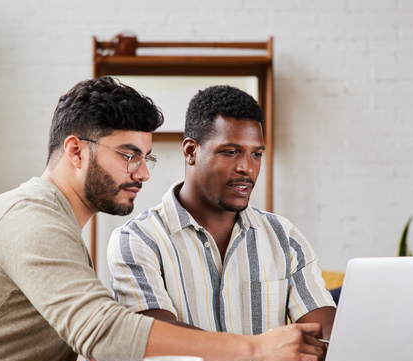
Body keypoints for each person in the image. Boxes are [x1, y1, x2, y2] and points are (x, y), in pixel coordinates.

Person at [0, 77, 327, 361]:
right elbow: (100, 328)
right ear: (76, 151)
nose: (143, 173)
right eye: (128, 155)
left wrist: (105, 353)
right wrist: (259, 348)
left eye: (146, 156)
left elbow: (86, 330)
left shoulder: (55, 223)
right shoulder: (28, 218)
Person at [108, 85, 336, 340]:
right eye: (231, 152)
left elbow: (324, 326)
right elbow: (156, 337)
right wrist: (263, 350)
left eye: (256, 154)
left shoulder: (285, 238)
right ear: (191, 151)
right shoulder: (138, 240)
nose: (247, 168)